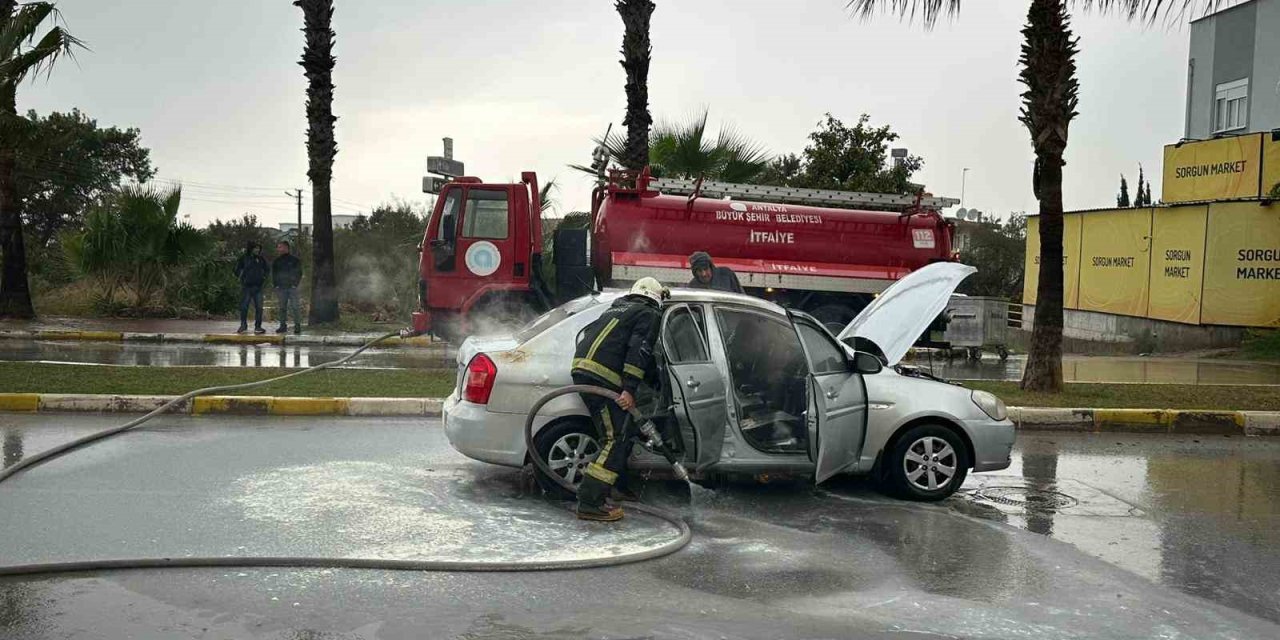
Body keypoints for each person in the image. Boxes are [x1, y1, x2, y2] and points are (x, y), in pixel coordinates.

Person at [570, 276, 668, 522]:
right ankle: (590, 502)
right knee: (615, 439)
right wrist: (629, 390)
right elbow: (639, 350)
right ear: (656, 298)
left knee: (619, 431)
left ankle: (615, 487)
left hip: (586, 370)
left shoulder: (618, 308)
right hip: (603, 380)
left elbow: (635, 353)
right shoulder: (649, 313)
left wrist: (655, 381)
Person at [233, 241, 269, 334]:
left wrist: (263, 278)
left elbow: (267, 270)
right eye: (255, 248)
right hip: (247, 287)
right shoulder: (244, 258)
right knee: (244, 307)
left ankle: (258, 327)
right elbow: (236, 269)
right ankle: (243, 325)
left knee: (259, 307)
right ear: (251, 249)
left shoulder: (261, 259)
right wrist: (242, 277)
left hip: (258, 287)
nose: (257, 250)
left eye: (258, 248)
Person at [272, 241, 304, 335]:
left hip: (292, 288)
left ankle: (297, 326)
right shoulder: (277, 261)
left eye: (280, 247)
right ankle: (282, 326)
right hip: (281, 288)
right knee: (282, 308)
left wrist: (295, 284)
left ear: (286, 248)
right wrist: (276, 285)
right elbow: (274, 274)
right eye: (278, 247)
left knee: (295, 307)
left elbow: (299, 272)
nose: (278, 249)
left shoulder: (294, 260)